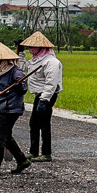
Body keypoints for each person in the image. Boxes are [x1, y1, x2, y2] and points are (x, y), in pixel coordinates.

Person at [0, 43, 30, 175]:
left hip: (10, 110)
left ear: (2, 60)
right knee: (6, 136)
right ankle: (22, 160)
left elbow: (23, 90)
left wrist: (19, 84)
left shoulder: (16, 72)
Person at [18, 31, 62, 162]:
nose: (30, 49)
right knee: (34, 123)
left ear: (42, 47)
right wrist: (20, 53)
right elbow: (22, 68)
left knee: (44, 123)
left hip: (47, 95)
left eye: (33, 47)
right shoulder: (36, 60)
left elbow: (51, 82)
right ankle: (34, 151)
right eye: (29, 47)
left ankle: (46, 153)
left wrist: (45, 99)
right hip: (39, 95)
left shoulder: (51, 62)